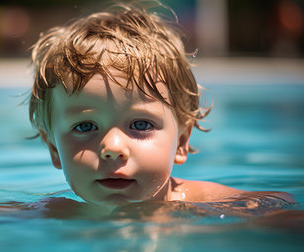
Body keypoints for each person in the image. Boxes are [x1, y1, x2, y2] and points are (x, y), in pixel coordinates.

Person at [28, 3, 295, 209]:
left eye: (140, 124)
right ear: (53, 148)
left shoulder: (209, 205)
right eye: (85, 126)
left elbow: (279, 203)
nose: (112, 148)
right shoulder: (57, 212)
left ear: (180, 141)